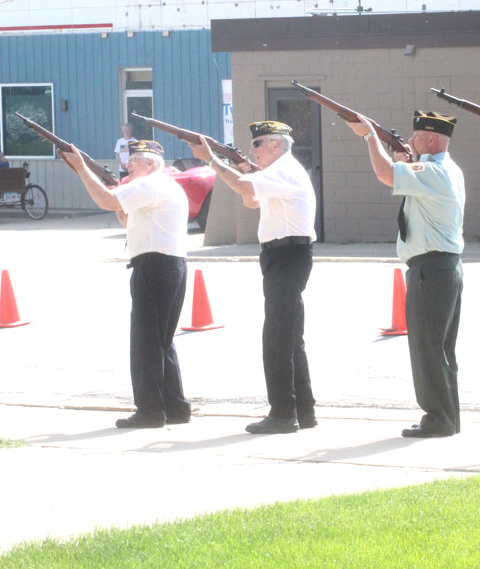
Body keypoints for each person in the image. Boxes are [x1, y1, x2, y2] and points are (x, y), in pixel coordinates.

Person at [190, 121, 317, 434]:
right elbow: (252, 200)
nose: (252, 150)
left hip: (287, 255)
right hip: (283, 255)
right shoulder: (277, 171)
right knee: (289, 337)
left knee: (276, 338)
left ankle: (283, 414)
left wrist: (212, 161)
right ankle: (303, 409)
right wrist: (246, 171)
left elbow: (245, 190)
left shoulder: (284, 168)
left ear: (276, 144)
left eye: (258, 144)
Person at [345, 111, 465, 439]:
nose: (410, 141)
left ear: (430, 140)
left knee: (427, 349)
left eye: (415, 137)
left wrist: (371, 136)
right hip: (442, 268)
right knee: (440, 349)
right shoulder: (445, 170)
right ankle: (447, 416)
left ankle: (438, 418)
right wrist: (408, 162)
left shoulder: (434, 171)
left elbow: (385, 174)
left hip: (430, 269)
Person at [60, 139, 192, 429]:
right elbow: (124, 216)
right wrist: (111, 187)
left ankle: (150, 412)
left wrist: (82, 169)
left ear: (151, 164)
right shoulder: (161, 186)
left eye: (135, 160)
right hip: (169, 266)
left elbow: (108, 202)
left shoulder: (149, 184)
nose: (128, 164)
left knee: (146, 343)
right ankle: (175, 407)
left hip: (154, 266)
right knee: (161, 342)